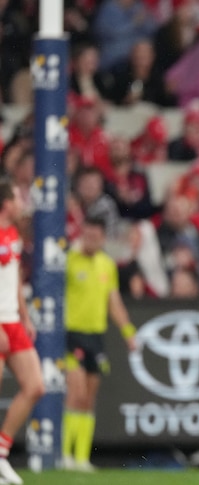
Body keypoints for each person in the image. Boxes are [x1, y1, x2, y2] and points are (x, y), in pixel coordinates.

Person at [62, 215, 138, 471]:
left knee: (88, 397)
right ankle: (65, 455)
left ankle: (81, 458)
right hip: (72, 334)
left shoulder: (107, 265)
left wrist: (128, 331)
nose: (91, 240)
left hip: (96, 336)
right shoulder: (69, 261)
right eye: (88, 235)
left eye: (96, 236)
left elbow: (113, 301)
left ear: (102, 237)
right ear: (82, 234)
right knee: (76, 393)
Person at [0, 178, 45, 485]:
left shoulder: (12, 234)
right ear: (6, 202)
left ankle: (1, 452)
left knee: (36, 386)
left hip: (13, 320)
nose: (22, 204)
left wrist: (25, 315)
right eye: (18, 198)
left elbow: (13, 279)